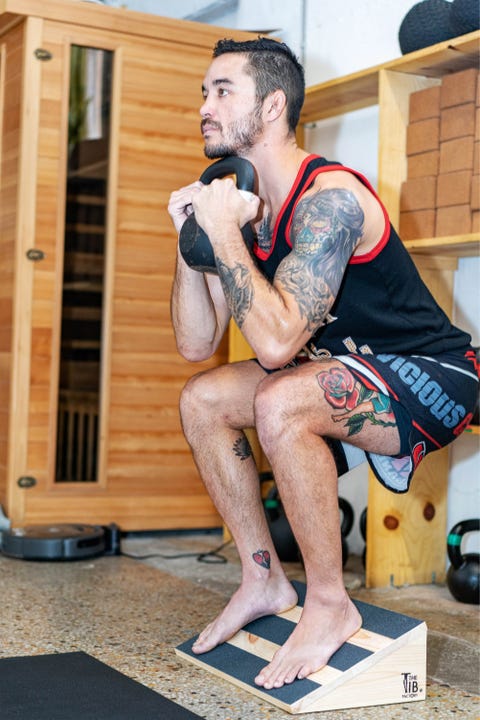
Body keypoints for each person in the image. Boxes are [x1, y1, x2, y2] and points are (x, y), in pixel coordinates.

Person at [168, 37, 478, 690]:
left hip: (435, 372)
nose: (205, 106)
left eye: (223, 90)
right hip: (340, 369)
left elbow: (277, 348)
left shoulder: (329, 199)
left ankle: (330, 603)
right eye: (203, 91)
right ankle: (264, 580)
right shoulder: (245, 212)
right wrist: (191, 238)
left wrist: (222, 234)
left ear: (273, 105)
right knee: (202, 398)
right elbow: (197, 343)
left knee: (281, 398)